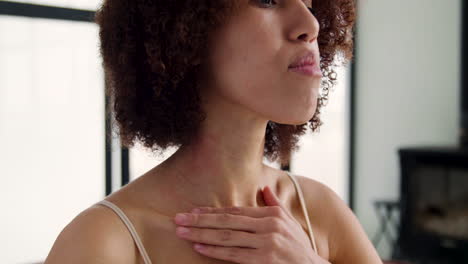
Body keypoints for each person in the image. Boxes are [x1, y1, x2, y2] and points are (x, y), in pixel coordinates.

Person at [45, 0, 383, 263]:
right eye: (266, 0)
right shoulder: (104, 241)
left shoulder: (320, 210)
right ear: (186, 28)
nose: (311, 24)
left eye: (309, 4)